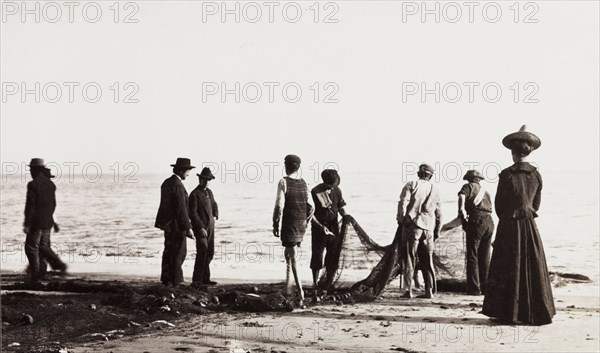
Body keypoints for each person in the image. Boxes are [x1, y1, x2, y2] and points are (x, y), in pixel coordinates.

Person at [483, 125, 555, 325]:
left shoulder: (506, 174)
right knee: (532, 266)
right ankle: (535, 312)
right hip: (529, 224)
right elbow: (536, 204)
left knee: (507, 265)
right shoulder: (536, 174)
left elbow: (499, 204)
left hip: (509, 224)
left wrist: (507, 216)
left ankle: (507, 313)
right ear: (529, 152)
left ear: (513, 154)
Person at [273, 154, 313, 307]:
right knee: (289, 253)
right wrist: (306, 221)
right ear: (298, 167)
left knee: (293, 256)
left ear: (286, 166)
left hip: (290, 224)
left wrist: (275, 224)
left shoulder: (283, 181)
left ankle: (300, 291)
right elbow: (312, 207)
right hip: (301, 224)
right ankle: (288, 285)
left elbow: (279, 206)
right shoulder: (304, 183)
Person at [397, 163, 442, 299]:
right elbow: (439, 212)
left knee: (410, 258)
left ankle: (409, 291)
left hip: (413, 226)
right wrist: (437, 231)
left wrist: (401, 218)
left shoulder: (412, 184)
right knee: (427, 260)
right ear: (431, 175)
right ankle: (429, 290)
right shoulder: (435, 189)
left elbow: (403, 202)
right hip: (429, 227)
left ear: (419, 174)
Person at [23, 158, 67, 283]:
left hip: (36, 223)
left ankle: (36, 275)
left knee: (31, 248)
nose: (30, 171)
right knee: (43, 247)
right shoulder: (51, 184)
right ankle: (42, 272)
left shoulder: (33, 184)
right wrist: (54, 222)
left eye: (31, 169)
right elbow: (52, 205)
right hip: (47, 222)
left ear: (35, 170)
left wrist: (27, 224)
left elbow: (30, 206)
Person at [155, 157, 195, 286]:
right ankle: (176, 280)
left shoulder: (167, 182)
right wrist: (188, 228)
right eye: (188, 171)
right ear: (182, 171)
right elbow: (181, 208)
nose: (189, 174)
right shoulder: (177, 185)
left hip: (168, 225)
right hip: (177, 225)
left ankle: (166, 279)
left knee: (168, 251)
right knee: (179, 252)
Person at [310, 169, 349, 297]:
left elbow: (341, 207)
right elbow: (310, 214)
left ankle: (329, 281)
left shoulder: (337, 190)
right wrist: (321, 227)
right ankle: (315, 283)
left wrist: (347, 217)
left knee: (333, 255)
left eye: (334, 185)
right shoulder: (315, 192)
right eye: (330, 185)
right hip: (319, 228)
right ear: (325, 182)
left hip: (333, 227)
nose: (332, 188)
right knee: (317, 254)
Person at [458, 170, 494, 295]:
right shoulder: (486, 192)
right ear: (479, 179)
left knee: (472, 255)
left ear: (469, 179)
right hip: (489, 222)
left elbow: (462, 199)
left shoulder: (467, 187)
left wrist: (462, 215)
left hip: (476, 220)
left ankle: (474, 288)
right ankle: (486, 288)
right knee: (485, 255)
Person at [189, 167, 219, 287]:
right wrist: (200, 226)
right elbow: (192, 213)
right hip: (200, 228)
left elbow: (214, 204)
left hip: (211, 227)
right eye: (205, 179)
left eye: (209, 179)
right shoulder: (194, 194)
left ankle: (205, 278)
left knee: (210, 252)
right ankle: (196, 280)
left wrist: (216, 215)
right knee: (202, 251)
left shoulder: (209, 192)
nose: (207, 181)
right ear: (200, 179)